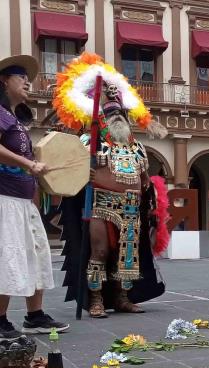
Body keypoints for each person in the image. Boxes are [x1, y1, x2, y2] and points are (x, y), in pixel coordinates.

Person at [55, 53, 167, 318]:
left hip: (130, 207)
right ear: (101, 119)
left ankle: (122, 297)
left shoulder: (137, 146)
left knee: (127, 256)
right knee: (100, 252)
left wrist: (150, 203)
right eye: (109, 112)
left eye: (119, 112)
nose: (115, 116)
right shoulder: (89, 142)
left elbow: (145, 180)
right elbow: (73, 171)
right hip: (101, 204)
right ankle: (95, 299)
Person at [0, 55, 69, 338]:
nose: (28, 81)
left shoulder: (16, 119)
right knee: (10, 256)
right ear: (4, 80)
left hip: (24, 200)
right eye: (20, 76)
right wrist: (29, 164)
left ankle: (35, 316)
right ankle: (0, 319)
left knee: (36, 253)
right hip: (5, 199)